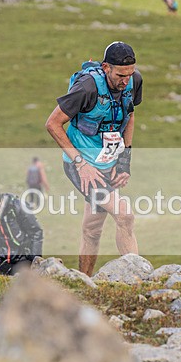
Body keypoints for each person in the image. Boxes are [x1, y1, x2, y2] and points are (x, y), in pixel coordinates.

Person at [45, 41, 143, 277]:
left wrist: (124, 162)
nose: (125, 81)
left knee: (92, 229)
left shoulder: (134, 80)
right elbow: (53, 124)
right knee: (124, 215)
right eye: (120, 75)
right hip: (82, 166)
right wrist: (81, 164)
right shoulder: (87, 88)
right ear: (106, 67)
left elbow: (129, 116)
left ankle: (84, 281)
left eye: (129, 75)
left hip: (108, 163)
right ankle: (139, 278)